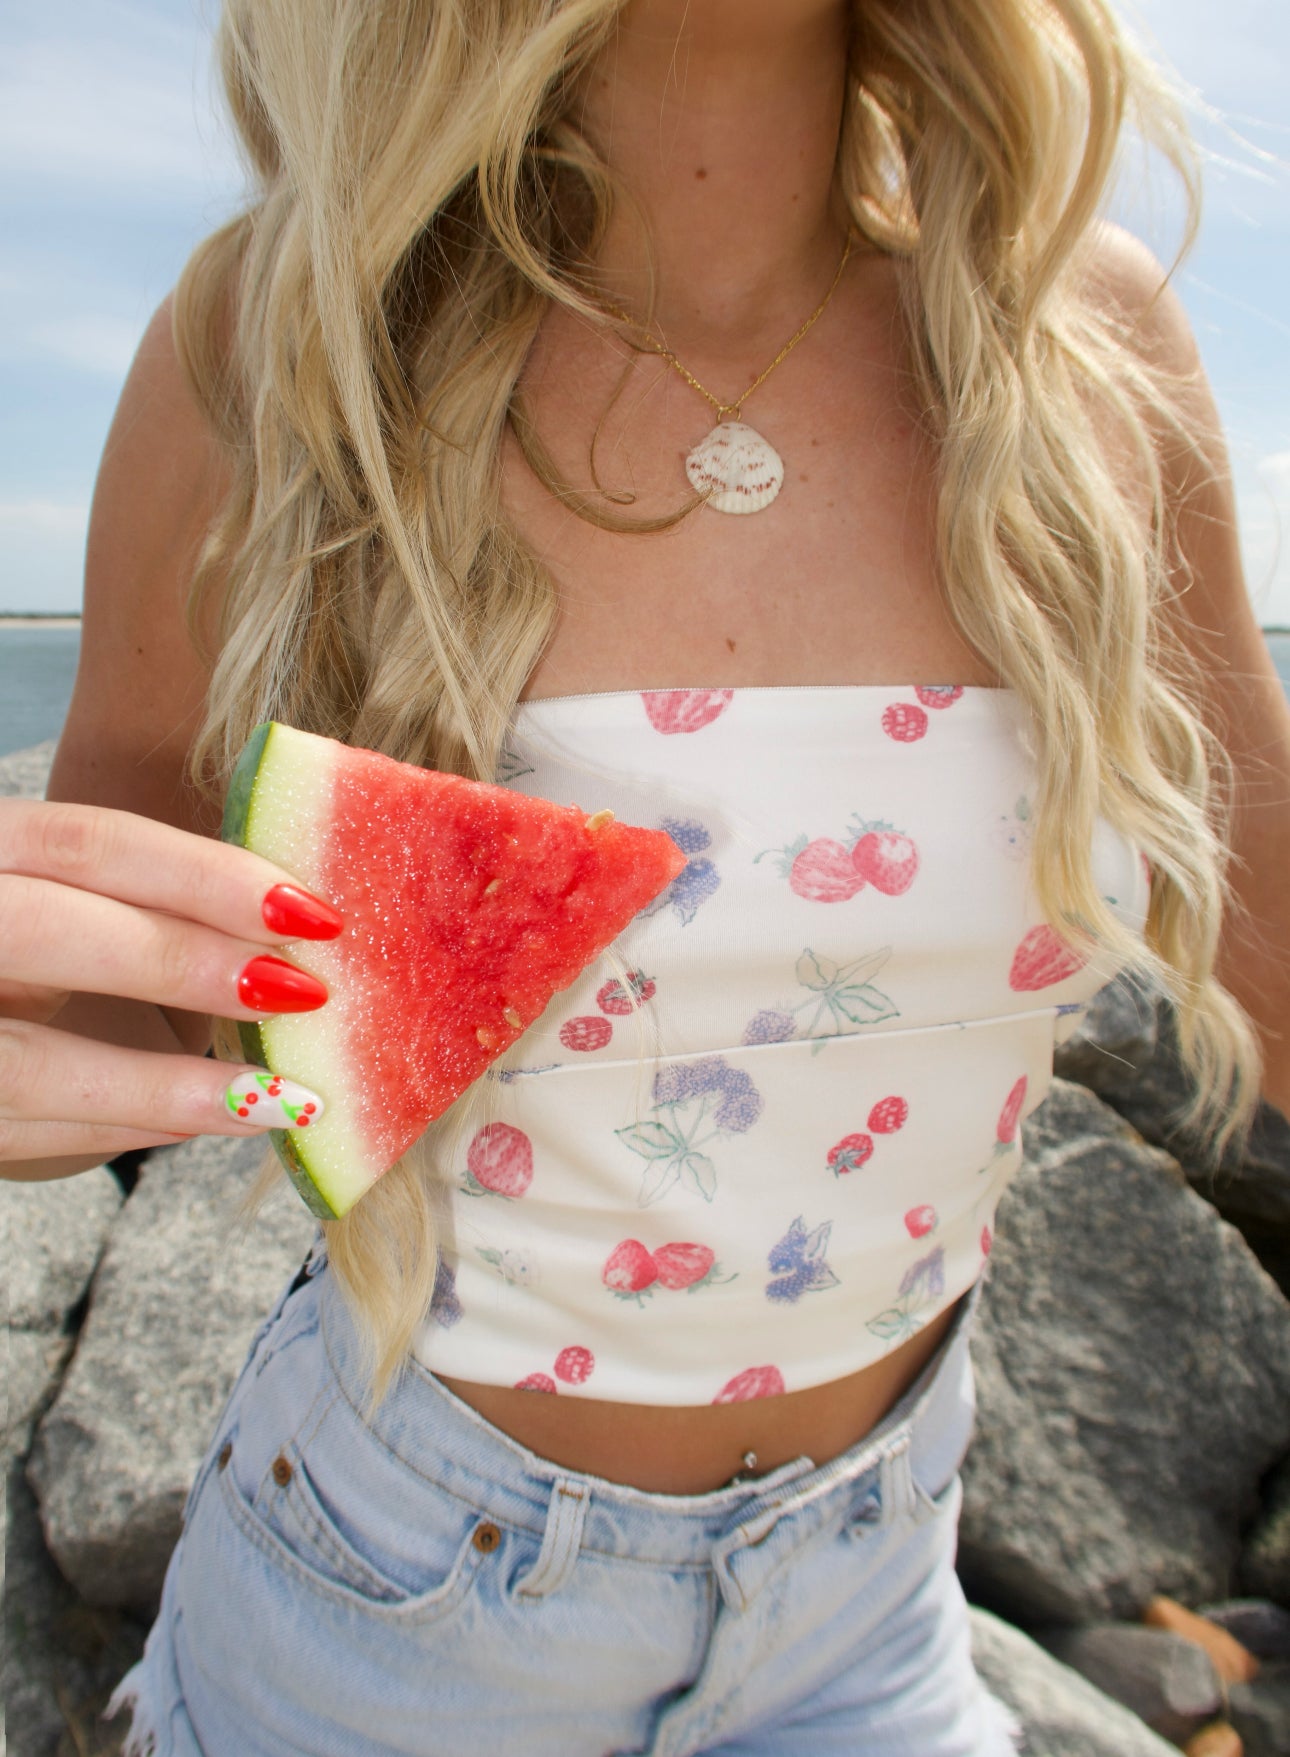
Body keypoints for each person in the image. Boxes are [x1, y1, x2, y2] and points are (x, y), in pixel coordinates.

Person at [4, 0, 1288, 1750]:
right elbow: (105, 996)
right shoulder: (274, 344)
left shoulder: (1085, 346)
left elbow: (1268, 932)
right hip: (392, 1589)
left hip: (872, 1584)